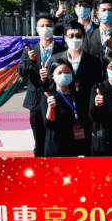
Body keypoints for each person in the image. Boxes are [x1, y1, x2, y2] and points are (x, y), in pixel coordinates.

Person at [47, 21, 104, 154]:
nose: (74, 39)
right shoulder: (56, 58)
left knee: (86, 149)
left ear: (84, 38)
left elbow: (97, 85)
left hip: (85, 111)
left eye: (78, 36)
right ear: (65, 38)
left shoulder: (93, 61)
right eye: (71, 36)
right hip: (63, 111)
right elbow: (50, 85)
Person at [18, 14, 64, 157]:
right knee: (39, 140)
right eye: (42, 26)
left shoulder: (61, 49)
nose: (45, 29)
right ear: (37, 29)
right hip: (36, 100)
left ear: (54, 28)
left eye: (49, 26)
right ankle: (39, 165)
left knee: (55, 138)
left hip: (55, 99)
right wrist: (31, 62)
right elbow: (21, 72)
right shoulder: (30, 50)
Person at [41, 61, 86, 157]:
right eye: (59, 73)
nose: (63, 75)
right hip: (57, 148)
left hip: (76, 145)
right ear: (52, 76)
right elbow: (49, 124)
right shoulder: (49, 96)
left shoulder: (77, 96)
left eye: (67, 72)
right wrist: (51, 108)